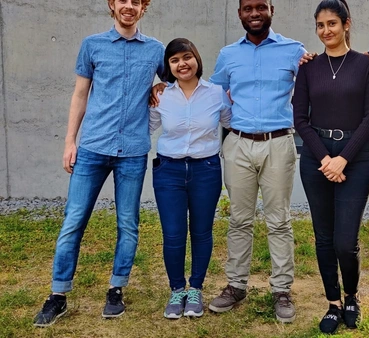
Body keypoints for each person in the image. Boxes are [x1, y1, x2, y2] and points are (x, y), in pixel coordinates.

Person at [33, 0, 164, 327]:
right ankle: (58, 295)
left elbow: (180, 74)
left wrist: (163, 85)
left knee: (127, 224)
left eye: (136, 1)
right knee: (73, 220)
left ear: (143, 7)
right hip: (92, 147)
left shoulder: (155, 51)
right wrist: (69, 141)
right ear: (112, 4)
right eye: (123, 0)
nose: (129, 6)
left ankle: (116, 289)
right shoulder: (92, 45)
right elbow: (80, 94)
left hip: (133, 150)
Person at [205, 0, 306, 324]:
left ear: (271, 10)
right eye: (248, 8)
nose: (254, 13)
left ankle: (282, 290)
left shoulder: (294, 50)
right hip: (238, 144)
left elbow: (318, 80)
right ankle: (236, 285)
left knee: (278, 220)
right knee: (239, 219)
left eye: (260, 6)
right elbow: (215, 91)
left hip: (278, 144)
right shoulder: (228, 55)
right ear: (240, 14)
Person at [292, 0, 369, 334]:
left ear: (346, 24)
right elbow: (300, 118)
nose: (325, 30)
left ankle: (352, 294)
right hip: (317, 157)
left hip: (354, 158)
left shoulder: (367, 66)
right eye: (320, 25)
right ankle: (333, 303)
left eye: (332, 23)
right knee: (324, 237)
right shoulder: (309, 68)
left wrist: (343, 157)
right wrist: (325, 158)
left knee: (346, 240)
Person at [149, 38, 231, 319]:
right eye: (174, 60)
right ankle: (176, 290)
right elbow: (147, 126)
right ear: (168, 67)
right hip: (168, 171)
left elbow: (232, 123)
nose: (182, 64)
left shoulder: (216, 93)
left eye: (186, 57)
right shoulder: (161, 96)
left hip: (205, 171)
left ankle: (195, 288)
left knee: (201, 232)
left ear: (196, 59)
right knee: (172, 234)